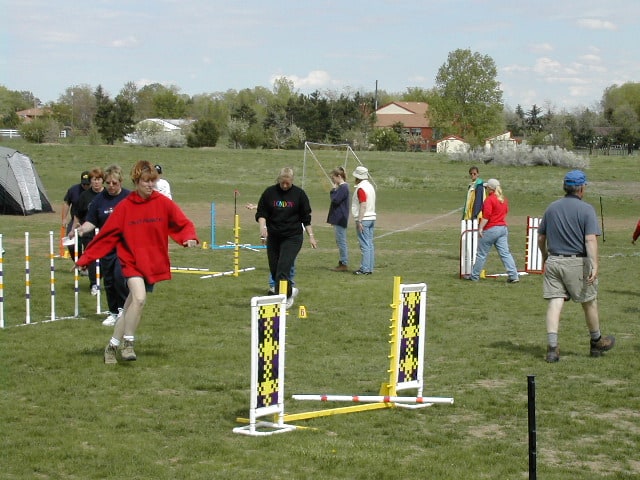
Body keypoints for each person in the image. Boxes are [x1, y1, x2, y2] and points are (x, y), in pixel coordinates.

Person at [76, 160, 199, 364]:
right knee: (139, 298)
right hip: (130, 260)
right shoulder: (125, 207)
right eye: (146, 182)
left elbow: (182, 222)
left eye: (153, 181)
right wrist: (85, 259)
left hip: (150, 262)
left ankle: (111, 346)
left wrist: (189, 237)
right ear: (136, 181)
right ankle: (128, 343)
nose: (150, 185)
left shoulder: (163, 202)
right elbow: (106, 236)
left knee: (130, 306)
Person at [537, 170, 615, 363]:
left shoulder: (551, 208)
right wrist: (594, 264)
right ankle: (596, 341)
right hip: (577, 262)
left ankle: (552, 348)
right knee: (589, 302)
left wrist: (545, 256)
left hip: (554, 261)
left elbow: (541, 237)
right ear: (581, 188)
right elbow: (590, 240)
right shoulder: (586, 209)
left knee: (555, 302)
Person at [70, 165, 130, 327]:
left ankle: (124, 311)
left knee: (119, 277)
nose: (111, 186)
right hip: (106, 245)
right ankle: (113, 313)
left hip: (125, 245)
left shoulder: (129, 197)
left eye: (114, 183)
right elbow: (91, 221)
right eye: (108, 182)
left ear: (120, 182)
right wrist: (81, 229)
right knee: (108, 280)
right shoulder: (99, 199)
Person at [255, 167, 317, 308]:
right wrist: (263, 229)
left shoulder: (299, 195)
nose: (284, 185)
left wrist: (311, 236)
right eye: (282, 182)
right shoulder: (269, 193)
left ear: (292, 181)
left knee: (283, 268)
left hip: (292, 237)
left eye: (287, 183)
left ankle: (284, 299)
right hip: (274, 237)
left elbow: (306, 219)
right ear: (279, 179)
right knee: (274, 269)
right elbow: (261, 213)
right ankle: (290, 290)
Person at [468, 179, 519, 283]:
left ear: (490, 189)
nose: (486, 189)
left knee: (481, 254)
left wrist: (480, 228)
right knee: (505, 253)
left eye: (487, 187)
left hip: (491, 229)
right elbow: (505, 212)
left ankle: (474, 276)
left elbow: (486, 217)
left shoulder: (489, 200)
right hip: (502, 228)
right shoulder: (503, 199)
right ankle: (514, 276)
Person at [74, 167, 105, 295]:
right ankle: (94, 283)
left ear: (102, 180)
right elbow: (78, 214)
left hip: (105, 232)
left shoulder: (108, 194)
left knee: (104, 260)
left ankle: (102, 279)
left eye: (98, 179)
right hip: (88, 232)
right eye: (94, 180)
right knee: (92, 258)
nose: (96, 182)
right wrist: (74, 228)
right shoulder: (85, 196)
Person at [352, 165, 376, 275]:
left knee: (364, 244)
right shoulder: (370, 186)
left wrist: (360, 221)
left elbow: (363, 204)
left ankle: (365, 268)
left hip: (364, 218)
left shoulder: (361, 188)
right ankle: (369, 267)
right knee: (369, 243)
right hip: (371, 217)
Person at [62, 170, 91, 258]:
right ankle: (78, 262)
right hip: (76, 220)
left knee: (89, 244)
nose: (86, 186)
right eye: (84, 184)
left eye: (88, 184)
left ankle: (87, 264)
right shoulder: (73, 190)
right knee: (71, 244)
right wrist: (64, 218)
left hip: (90, 222)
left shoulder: (96, 192)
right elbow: (67, 203)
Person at [327, 166, 350, 272]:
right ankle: (342, 262)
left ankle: (343, 263)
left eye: (333, 178)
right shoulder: (342, 187)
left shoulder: (343, 187)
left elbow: (335, 200)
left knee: (341, 241)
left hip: (341, 218)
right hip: (338, 218)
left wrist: (333, 189)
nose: (333, 180)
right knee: (339, 240)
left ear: (339, 176)